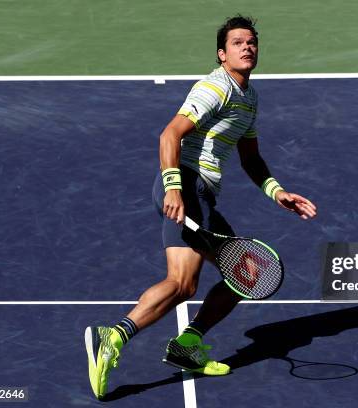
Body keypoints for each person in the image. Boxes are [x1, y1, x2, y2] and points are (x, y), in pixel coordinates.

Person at [84, 15, 317, 400]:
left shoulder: (249, 98)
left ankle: (186, 345)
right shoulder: (215, 87)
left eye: (252, 42)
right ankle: (112, 337)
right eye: (238, 43)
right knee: (182, 282)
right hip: (187, 185)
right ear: (222, 54)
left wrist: (278, 192)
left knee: (246, 271)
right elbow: (169, 133)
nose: (247, 47)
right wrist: (175, 188)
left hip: (200, 194)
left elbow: (251, 158)